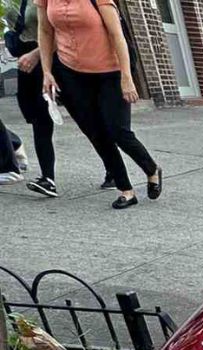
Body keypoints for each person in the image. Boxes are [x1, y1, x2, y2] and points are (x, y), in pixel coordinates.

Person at [36, 0, 161, 209]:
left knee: (118, 130)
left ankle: (151, 169)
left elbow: (116, 35)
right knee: (96, 133)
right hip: (71, 73)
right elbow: (45, 31)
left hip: (110, 72)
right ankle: (126, 190)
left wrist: (126, 77)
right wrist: (46, 71)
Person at [5, 0, 57, 196]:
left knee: (84, 117)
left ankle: (112, 170)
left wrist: (37, 54)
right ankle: (48, 178)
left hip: (53, 60)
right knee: (39, 120)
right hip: (27, 63)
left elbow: (63, 32)